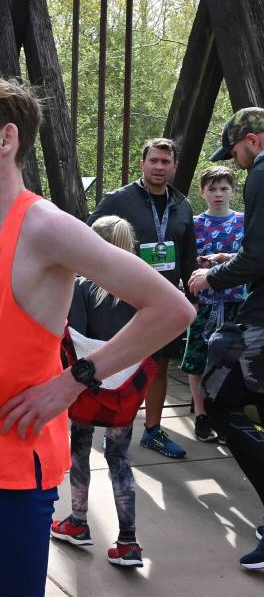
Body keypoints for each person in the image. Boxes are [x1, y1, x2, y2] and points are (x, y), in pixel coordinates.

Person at [0, 77, 192, 597]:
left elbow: (171, 307)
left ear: (6, 139)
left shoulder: (45, 227)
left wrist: (75, 381)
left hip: (16, 467)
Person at [50, 216, 152, 567]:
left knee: (80, 449)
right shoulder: (142, 285)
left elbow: (73, 337)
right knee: (120, 458)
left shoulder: (82, 287)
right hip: (127, 387)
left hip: (88, 386)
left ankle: (78, 522)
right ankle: (128, 541)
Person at [88, 138, 198, 459]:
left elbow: (188, 258)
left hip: (164, 301)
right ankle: (116, 430)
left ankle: (152, 431)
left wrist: (192, 298)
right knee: (123, 369)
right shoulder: (119, 200)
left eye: (166, 162)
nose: (159, 167)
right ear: (143, 164)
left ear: (174, 166)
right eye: (154, 161)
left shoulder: (183, 206)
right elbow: (88, 235)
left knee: (158, 367)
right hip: (125, 299)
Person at [188, 108, 264, 571]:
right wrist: (232, 255)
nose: (234, 161)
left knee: (219, 398)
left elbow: (257, 257)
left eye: (236, 150)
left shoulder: (260, 172)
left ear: (253, 140)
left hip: (258, 318)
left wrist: (211, 276)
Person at [179, 165, 246, 443]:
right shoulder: (194, 224)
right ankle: (202, 413)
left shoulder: (245, 221)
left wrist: (223, 258)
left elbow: (250, 257)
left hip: (236, 301)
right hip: (202, 301)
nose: (218, 194)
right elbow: (185, 258)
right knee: (197, 357)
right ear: (202, 191)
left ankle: (230, 412)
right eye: (212, 188)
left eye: (223, 188)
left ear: (233, 190)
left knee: (234, 361)